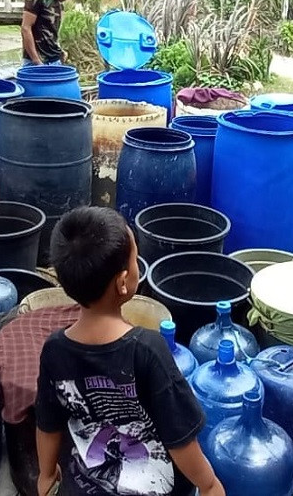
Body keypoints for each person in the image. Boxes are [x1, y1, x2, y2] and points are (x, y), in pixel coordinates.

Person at [35, 207, 224, 496]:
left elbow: (47, 424)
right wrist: (208, 485)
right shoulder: (148, 350)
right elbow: (180, 440)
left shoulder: (54, 349)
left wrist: (46, 475)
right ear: (122, 282)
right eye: (136, 259)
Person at [21, 0, 87, 66]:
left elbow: (51, 32)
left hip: (54, 59)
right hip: (36, 60)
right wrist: (36, 61)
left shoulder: (58, 3)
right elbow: (26, 28)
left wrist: (59, 51)